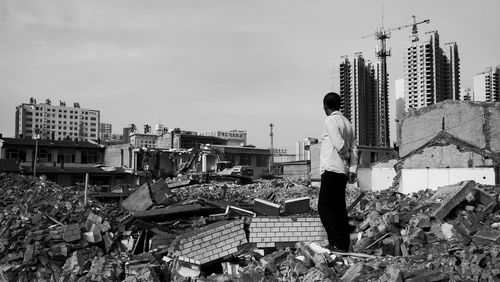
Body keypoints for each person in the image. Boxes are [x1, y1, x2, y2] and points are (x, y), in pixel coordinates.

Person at [319, 92, 358, 252]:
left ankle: (335, 243)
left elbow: (340, 144)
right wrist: (353, 168)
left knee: (324, 208)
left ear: (325, 107)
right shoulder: (347, 123)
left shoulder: (330, 120)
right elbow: (355, 148)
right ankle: (343, 244)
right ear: (339, 105)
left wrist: (346, 157)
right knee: (339, 208)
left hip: (331, 169)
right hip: (342, 172)